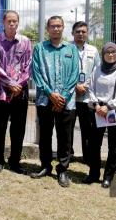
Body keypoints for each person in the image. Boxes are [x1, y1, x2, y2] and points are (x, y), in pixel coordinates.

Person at [30, 16, 79, 187]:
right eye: (53, 26)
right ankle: (45, 166)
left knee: (65, 137)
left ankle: (63, 169)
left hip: (67, 101)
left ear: (63, 28)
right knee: (45, 135)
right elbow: (36, 73)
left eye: (59, 26)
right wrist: (51, 94)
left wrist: (62, 96)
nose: (56, 29)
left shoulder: (71, 49)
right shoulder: (39, 49)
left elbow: (75, 74)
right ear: (47, 28)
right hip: (45, 100)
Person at [0, 10, 32, 174]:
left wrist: (18, 85)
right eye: (9, 21)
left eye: (15, 21)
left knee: (18, 128)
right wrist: (9, 83)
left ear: (18, 23)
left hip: (20, 92)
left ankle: (15, 161)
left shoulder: (25, 41)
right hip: (1, 90)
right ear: (3, 22)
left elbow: (28, 65)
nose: (12, 24)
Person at [84, 42, 116, 188]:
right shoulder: (97, 69)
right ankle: (93, 174)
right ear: (103, 54)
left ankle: (108, 177)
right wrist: (97, 105)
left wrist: (108, 107)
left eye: (114, 52)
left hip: (115, 111)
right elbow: (90, 88)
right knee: (94, 144)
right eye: (107, 52)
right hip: (98, 111)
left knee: (114, 146)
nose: (110, 55)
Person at [71, 21, 100, 163]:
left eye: (83, 31)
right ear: (72, 33)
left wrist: (85, 86)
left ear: (87, 33)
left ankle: (87, 156)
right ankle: (67, 154)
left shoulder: (93, 51)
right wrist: (75, 85)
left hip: (87, 97)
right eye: (78, 31)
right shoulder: (67, 48)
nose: (81, 34)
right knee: (68, 128)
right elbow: (64, 72)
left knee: (87, 129)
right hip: (71, 96)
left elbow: (97, 72)